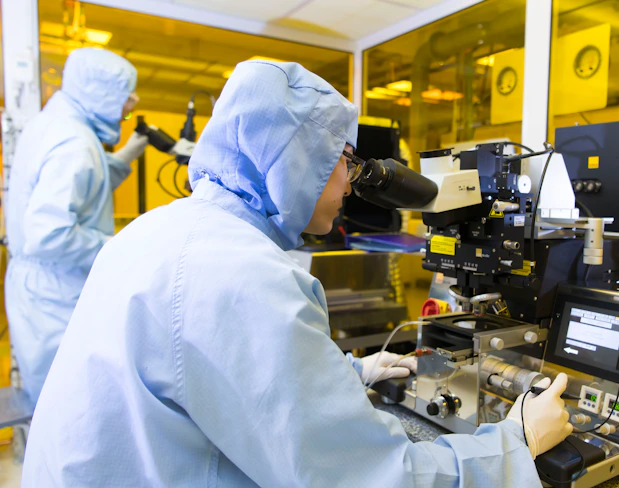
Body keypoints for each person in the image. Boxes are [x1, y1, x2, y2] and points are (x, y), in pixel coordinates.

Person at [22, 61, 572, 487]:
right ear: (293, 159)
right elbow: (362, 476)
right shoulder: (244, 273)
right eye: (343, 161)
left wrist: (344, 374)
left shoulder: (160, 227)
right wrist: (515, 444)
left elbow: (208, 374)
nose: (349, 184)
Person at [4, 48, 147, 404]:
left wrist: (123, 158)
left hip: (40, 287)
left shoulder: (52, 125)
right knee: (69, 406)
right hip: (56, 294)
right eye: (125, 99)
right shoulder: (74, 142)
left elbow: (84, 188)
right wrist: (119, 247)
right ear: (101, 92)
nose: (127, 110)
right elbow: (49, 235)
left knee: (52, 402)